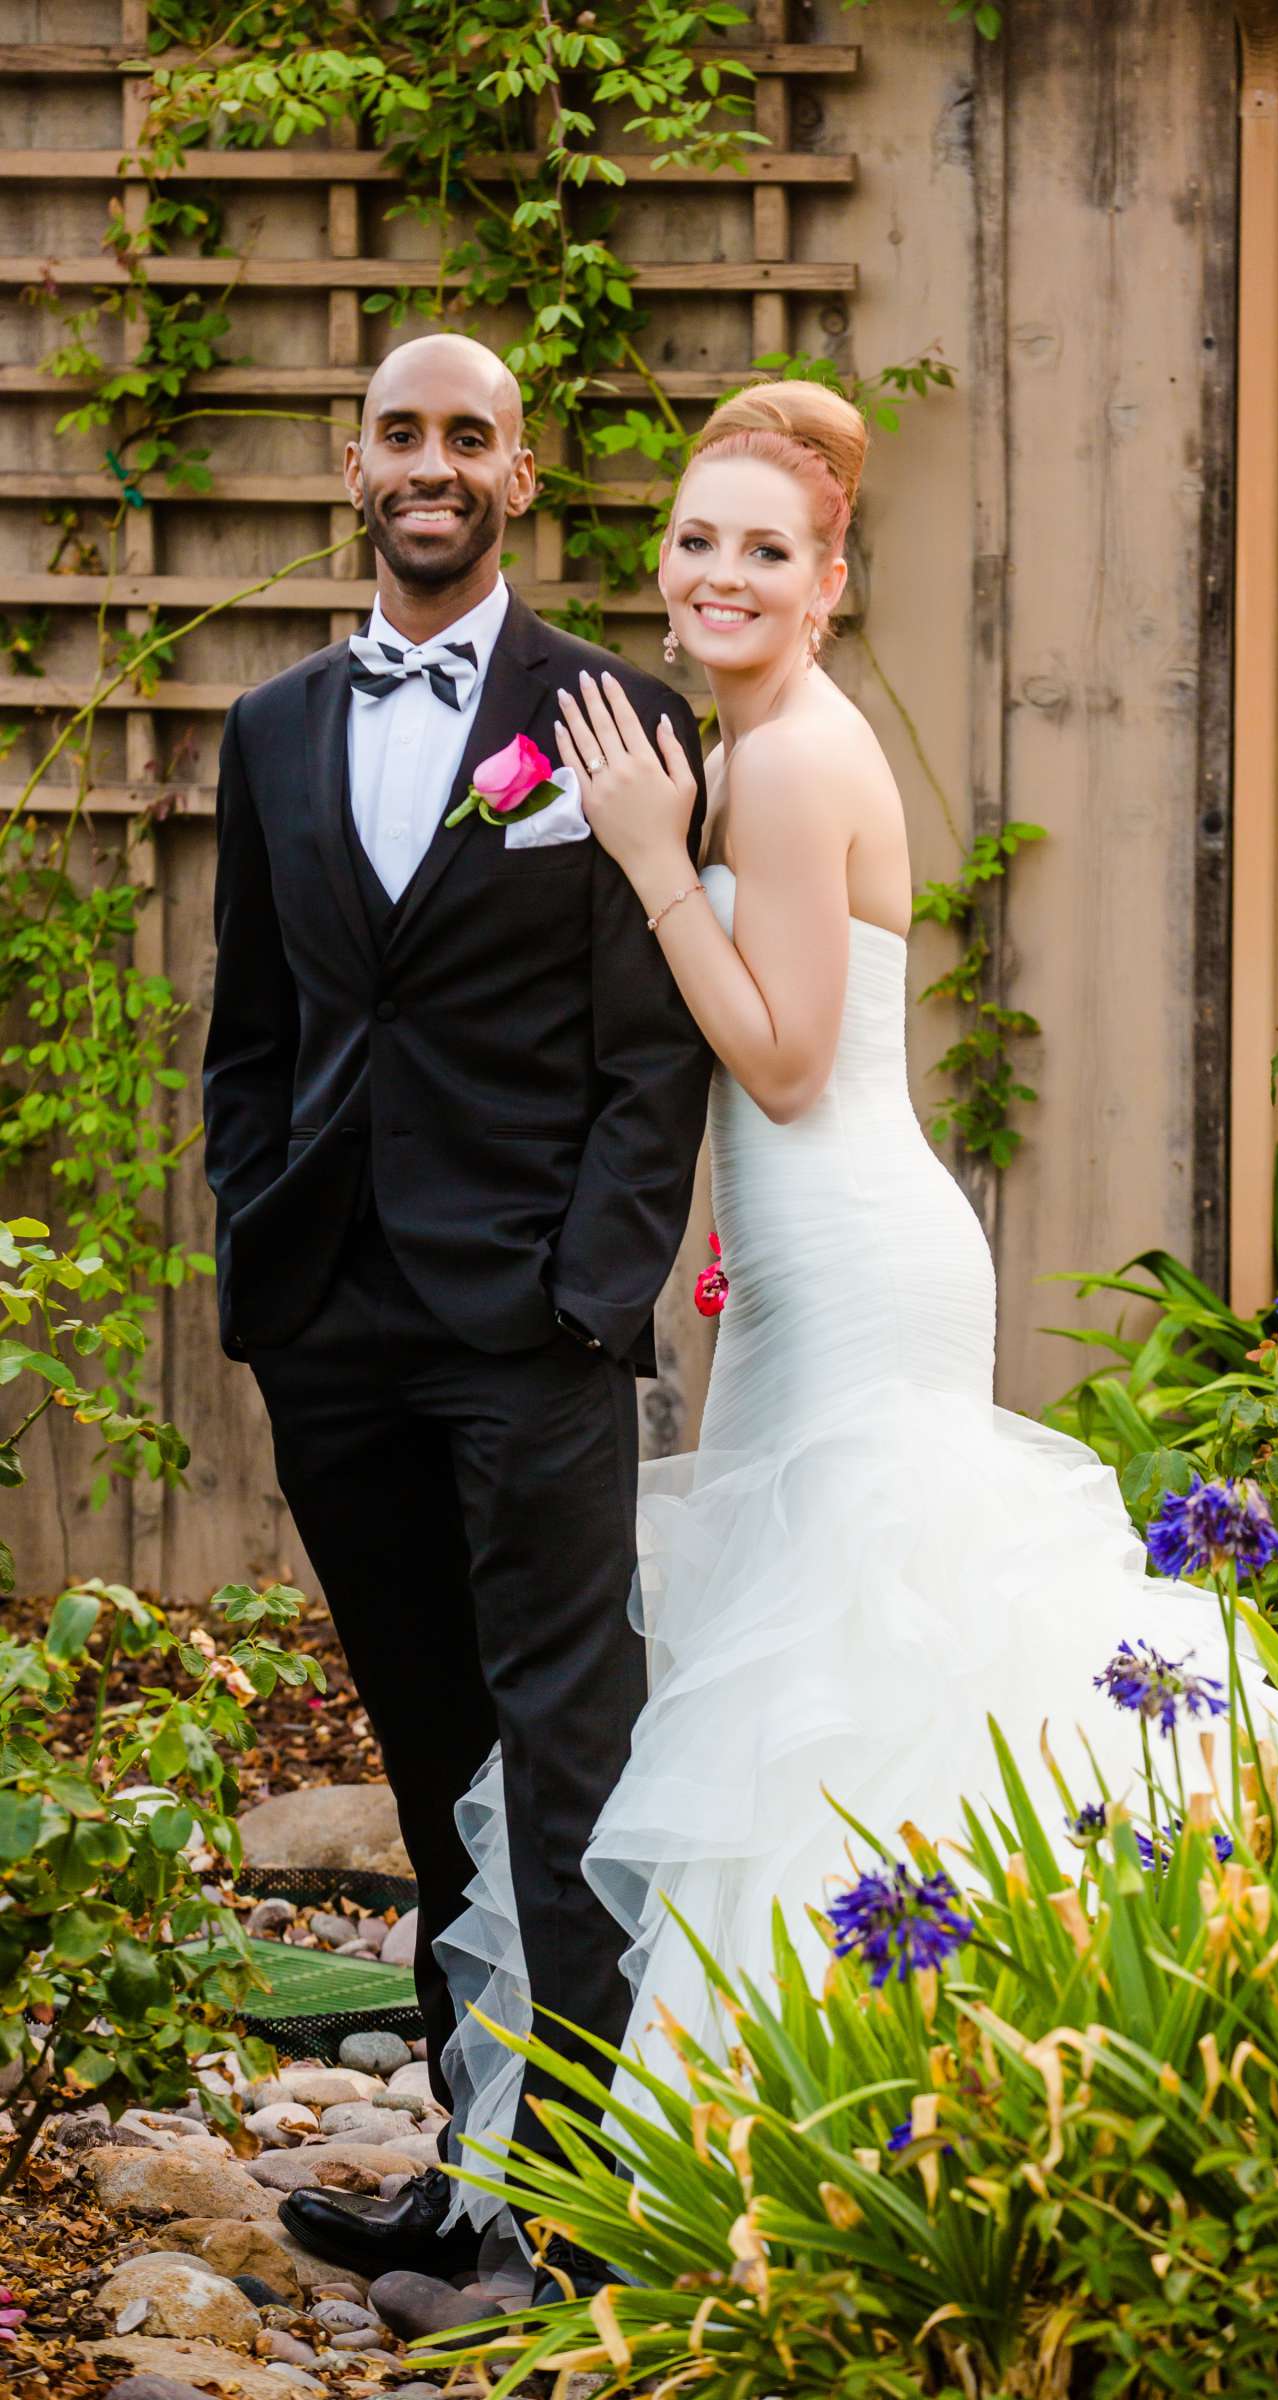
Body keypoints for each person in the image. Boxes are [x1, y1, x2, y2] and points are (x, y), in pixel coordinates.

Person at [438, 381, 1267, 2227]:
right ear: (666, 559)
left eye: (766, 551)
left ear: (830, 583)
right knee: (788, 1661)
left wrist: (654, 862)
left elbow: (795, 1065)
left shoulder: (794, 761)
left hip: (867, 1252)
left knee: (841, 1666)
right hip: (798, 1262)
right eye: (697, 539)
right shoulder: (736, 745)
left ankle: (822, 2135)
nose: (721, 575)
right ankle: (789, 2144)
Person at [200, 332, 711, 2294]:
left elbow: (647, 1056)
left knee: (561, 1762)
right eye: (399, 432)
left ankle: (566, 2218)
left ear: (518, 474)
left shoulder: (613, 720)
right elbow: (254, 1030)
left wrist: (596, 1298)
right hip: (335, 1324)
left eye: (465, 437)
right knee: (431, 1757)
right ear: (356, 465)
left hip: (532, 1327)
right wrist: (262, 1250)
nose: (430, 462)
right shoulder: (267, 730)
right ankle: (463, 2169)